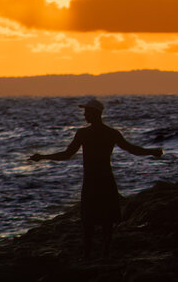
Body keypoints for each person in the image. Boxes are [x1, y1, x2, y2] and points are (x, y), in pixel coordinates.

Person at [29, 98, 163, 259]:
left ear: (95, 113)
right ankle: (104, 253)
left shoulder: (83, 133)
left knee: (89, 220)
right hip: (106, 180)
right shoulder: (111, 133)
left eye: (87, 112)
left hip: (92, 182)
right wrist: (152, 151)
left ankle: (88, 255)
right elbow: (132, 149)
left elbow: (67, 154)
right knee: (106, 220)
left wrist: (43, 157)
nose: (84, 115)